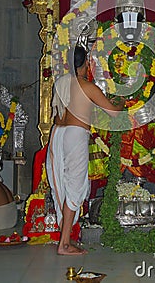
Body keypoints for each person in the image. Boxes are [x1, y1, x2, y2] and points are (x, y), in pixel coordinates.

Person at [46, 45, 125, 256]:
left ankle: (65, 238)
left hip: (57, 133)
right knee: (75, 185)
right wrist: (122, 102)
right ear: (85, 64)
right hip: (74, 135)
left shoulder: (60, 83)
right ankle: (64, 244)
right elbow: (114, 114)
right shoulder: (87, 86)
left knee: (61, 183)